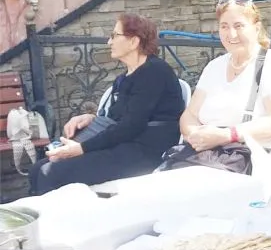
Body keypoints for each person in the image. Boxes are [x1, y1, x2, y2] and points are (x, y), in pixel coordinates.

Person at [29, 13, 185, 194]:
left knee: (50, 173)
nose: (109, 42)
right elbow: (118, 118)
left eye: (114, 36)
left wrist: (81, 148)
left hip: (145, 151)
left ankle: (62, 221)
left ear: (133, 41)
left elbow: (131, 125)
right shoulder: (124, 78)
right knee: (37, 169)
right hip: (123, 143)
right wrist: (90, 118)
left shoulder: (155, 72)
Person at [178, 0, 271, 172]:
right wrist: (197, 136)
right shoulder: (214, 67)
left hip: (255, 157)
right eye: (224, 27)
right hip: (207, 156)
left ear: (256, 28)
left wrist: (226, 135)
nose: (231, 34)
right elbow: (190, 114)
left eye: (239, 26)